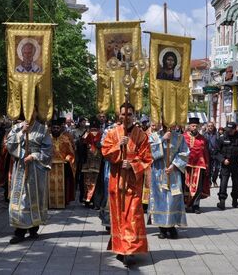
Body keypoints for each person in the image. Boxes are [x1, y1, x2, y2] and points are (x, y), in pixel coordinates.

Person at [101, 103, 153, 267]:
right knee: (118, 216)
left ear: (134, 115)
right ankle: (120, 247)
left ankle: (130, 250)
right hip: (117, 182)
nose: (126, 117)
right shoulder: (112, 133)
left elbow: (147, 158)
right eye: (123, 114)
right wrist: (118, 146)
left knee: (133, 216)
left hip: (133, 183)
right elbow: (105, 152)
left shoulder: (141, 135)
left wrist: (132, 164)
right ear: (119, 115)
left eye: (129, 114)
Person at [6, 111, 52, 244]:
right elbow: (9, 145)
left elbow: (48, 150)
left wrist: (34, 156)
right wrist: (21, 133)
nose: (30, 114)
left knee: (35, 196)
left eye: (33, 111)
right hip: (20, 167)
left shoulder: (43, 129)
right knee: (21, 198)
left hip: (36, 169)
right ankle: (19, 231)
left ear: (37, 112)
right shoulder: (16, 127)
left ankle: (33, 228)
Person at [148, 126, 190, 239]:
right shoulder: (153, 136)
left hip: (173, 173)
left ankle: (171, 226)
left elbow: (184, 153)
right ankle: (162, 228)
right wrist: (161, 140)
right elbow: (148, 153)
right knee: (160, 200)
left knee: (172, 200)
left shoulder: (179, 137)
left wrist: (174, 165)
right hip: (158, 173)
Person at [215, 122, 238, 210]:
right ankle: (222, 201)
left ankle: (235, 200)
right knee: (223, 182)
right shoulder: (222, 138)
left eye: (231, 130)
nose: (229, 131)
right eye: (228, 129)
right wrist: (223, 160)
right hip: (225, 164)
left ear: (235, 129)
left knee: (236, 183)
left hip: (236, 164)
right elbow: (216, 152)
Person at [183, 117, 210, 214]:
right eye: (193, 126)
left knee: (197, 187)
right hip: (185, 165)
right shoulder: (183, 137)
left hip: (199, 165)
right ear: (189, 126)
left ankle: (195, 205)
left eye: (196, 126)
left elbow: (206, 152)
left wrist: (207, 165)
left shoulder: (203, 139)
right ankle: (184, 205)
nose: (194, 128)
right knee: (185, 186)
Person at [51, 118, 76, 206]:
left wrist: (67, 158)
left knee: (63, 183)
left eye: (57, 128)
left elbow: (71, 153)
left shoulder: (65, 139)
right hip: (50, 166)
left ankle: (63, 201)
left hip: (63, 166)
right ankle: (50, 202)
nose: (55, 129)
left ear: (60, 128)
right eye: (54, 128)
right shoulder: (47, 139)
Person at [81, 119, 102, 207]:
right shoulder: (101, 134)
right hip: (96, 162)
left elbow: (81, 144)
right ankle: (93, 200)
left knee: (87, 181)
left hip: (87, 163)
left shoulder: (86, 134)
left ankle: (87, 199)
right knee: (94, 182)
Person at [73, 117, 88, 203]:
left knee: (83, 176)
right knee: (76, 175)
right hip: (77, 154)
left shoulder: (87, 131)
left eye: (84, 122)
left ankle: (83, 195)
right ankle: (74, 192)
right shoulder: (75, 131)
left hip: (84, 155)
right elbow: (72, 141)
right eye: (82, 122)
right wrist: (78, 140)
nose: (83, 123)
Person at [204, 122, 220, 187]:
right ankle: (209, 181)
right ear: (207, 127)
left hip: (216, 153)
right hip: (208, 153)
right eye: (209, 126)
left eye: (211, 126)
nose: (210, 127)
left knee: (217, 168)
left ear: (213, 127)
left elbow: (219, 143)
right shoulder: (204, 135)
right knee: (209, 168)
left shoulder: (217, 134)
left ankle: (214, 180)